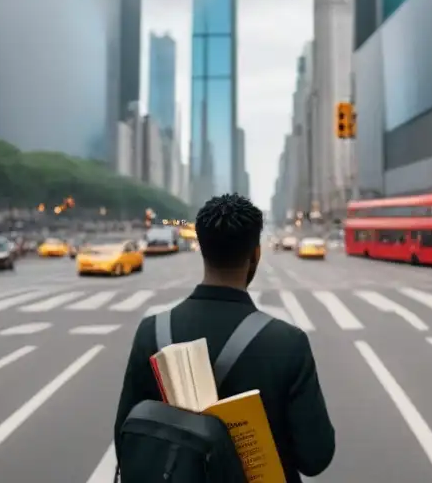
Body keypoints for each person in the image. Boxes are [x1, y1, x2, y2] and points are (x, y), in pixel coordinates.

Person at [113, 193, 335, 481]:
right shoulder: (287, 342)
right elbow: (315, 457)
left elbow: (126, 439)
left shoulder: (152, 332)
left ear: (202, 248)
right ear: (255, 254)